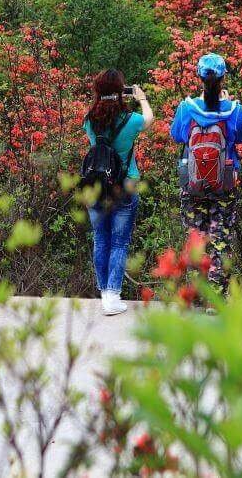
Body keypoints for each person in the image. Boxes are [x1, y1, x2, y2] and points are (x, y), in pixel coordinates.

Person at [169, 53, 242, 294]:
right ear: (224, 78)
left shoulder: (186, 108)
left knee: (195, 239)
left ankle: (194, 294)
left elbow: (176, 136)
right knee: (220, 240)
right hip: (224, 183)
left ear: (199, 78)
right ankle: (215, 298)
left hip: (192, 183)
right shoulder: (234, 110)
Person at [82, 70, 154, 315]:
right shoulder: (131, 119)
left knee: (100, 239)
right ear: (121, 91)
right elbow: (149, 120)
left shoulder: (89, 119)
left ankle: (105, 292)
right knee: (120, 242)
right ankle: (112, 294)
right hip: (126, 184)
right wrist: (142, 98)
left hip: (96, 186)